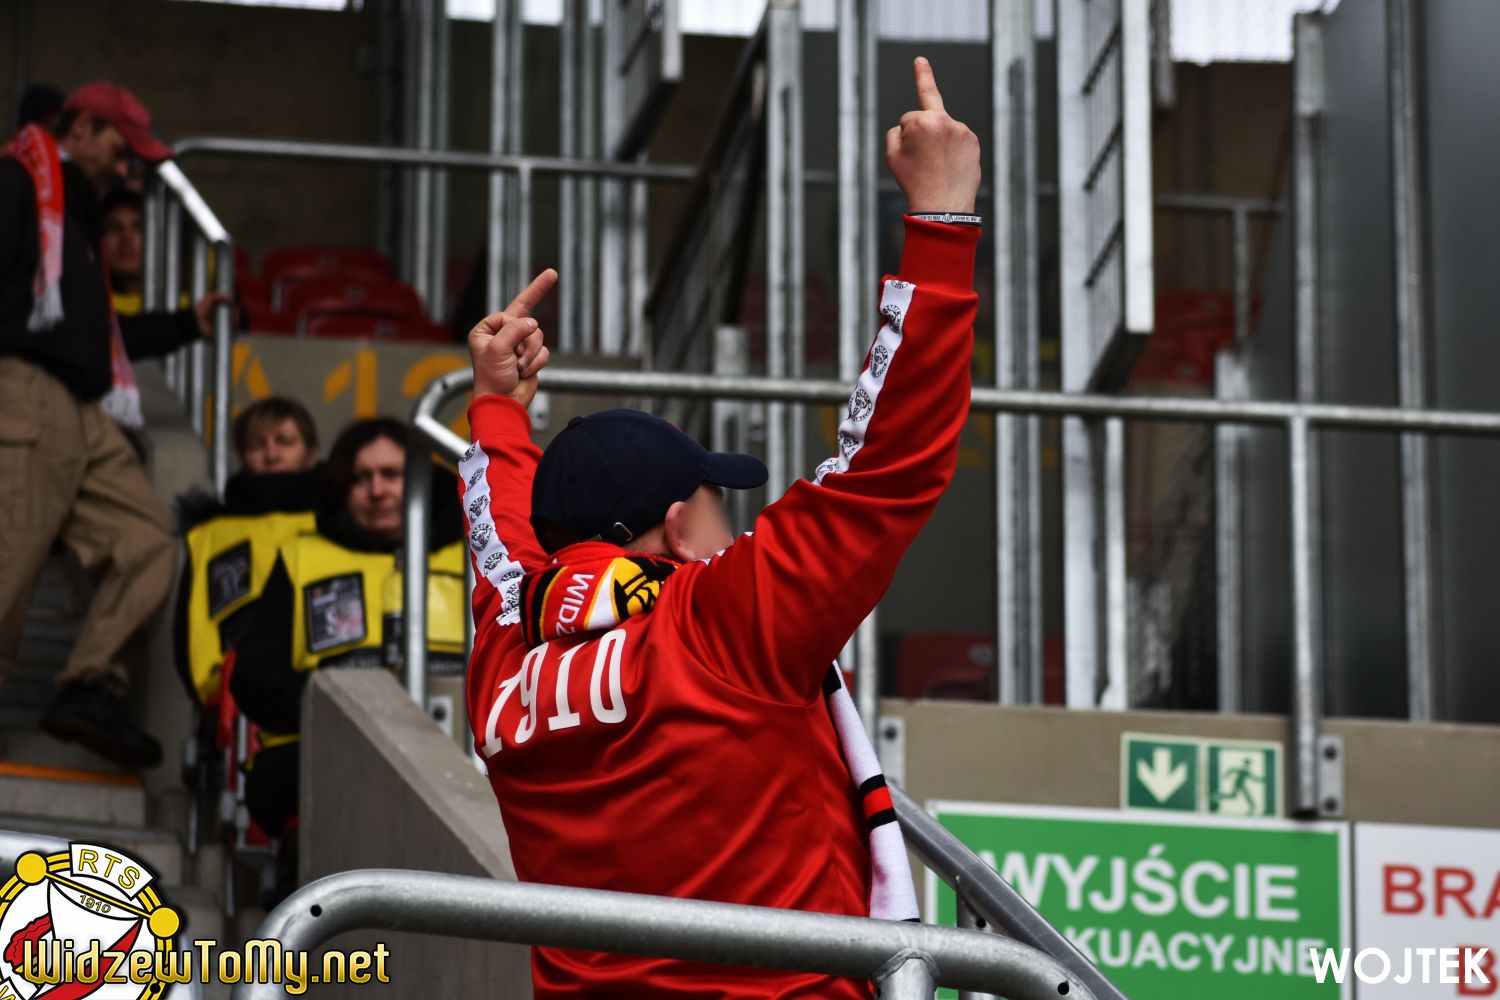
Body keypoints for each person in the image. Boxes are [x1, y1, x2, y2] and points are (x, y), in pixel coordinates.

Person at [460, 57, 981, 997]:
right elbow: (883, 466)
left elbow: (502, 541)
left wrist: (497, 407)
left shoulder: (506, 660)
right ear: (675, 527)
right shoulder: (723, 626)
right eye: (716, 501)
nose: (731, 527)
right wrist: (940, 223)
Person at [0, 82, 190, 767]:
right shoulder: (17, 185)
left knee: (147, 541)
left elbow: (99, 335)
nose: (125, 166)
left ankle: (88, 684)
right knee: (10, 564)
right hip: (26, 390)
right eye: (120, 147)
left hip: (85, 407)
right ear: (79, 127)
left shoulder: (74, 213)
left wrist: (187, 325)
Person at [229, 418, 468, 849]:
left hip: (459, 754)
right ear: (341, 487)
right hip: (324, 752)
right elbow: (253, 674)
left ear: (424, 481)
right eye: (361, 478)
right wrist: (331, 704)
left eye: (392, 474)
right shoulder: (302, 556)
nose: (377, 491)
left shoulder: (473, 560)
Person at [174, 397, 323, 706]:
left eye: (284, 442)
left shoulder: (337, 522)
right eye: (257, 445)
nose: (271, 455)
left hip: (319, 685)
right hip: (233, 702)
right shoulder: (211, 533)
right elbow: (194, 626)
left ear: (311, 452)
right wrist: (211, 691)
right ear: (242, 456)